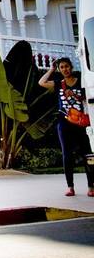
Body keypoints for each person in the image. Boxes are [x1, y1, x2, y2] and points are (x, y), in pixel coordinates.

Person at [39, 57, 94, 197]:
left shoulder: (81, 82)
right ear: (59, 69)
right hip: (65, 123)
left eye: (67, 66)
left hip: (81, 122)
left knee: (88, 154)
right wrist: (51, 69)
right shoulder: (59, 84)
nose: (65, 69)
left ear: (71, 67)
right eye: (62, 67)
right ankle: (70, 186)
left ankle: (91, 186)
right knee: (67, 155)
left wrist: (75, 95)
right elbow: (42, 82)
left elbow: (88, 99)